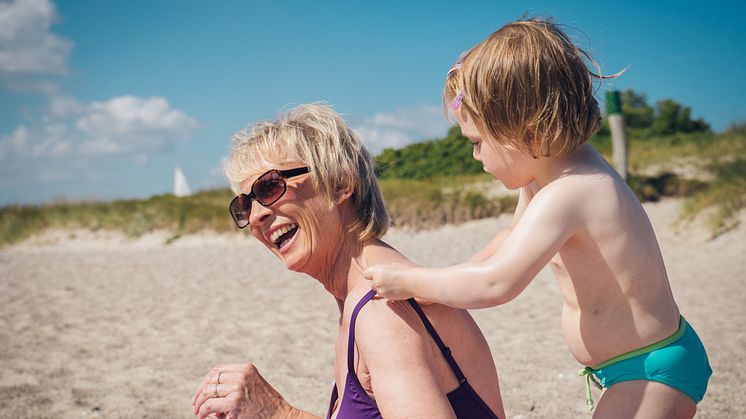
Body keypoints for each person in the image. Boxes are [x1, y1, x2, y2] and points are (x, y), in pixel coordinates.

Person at [365, 18, 711, 418]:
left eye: (477, 143)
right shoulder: (543, 178)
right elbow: (509, 240)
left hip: (652, 369)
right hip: (629, 365)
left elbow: (498, 283)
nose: (475, 156)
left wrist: (410, 280)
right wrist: (441, 279)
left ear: (524, 131)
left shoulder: (572, 191)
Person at [191, 103, 506, 419]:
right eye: (244, 205)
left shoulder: (382, 307)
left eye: (270, 186)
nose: (257, 215)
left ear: (340, 184)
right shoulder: (365, 294)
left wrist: (278, 413)